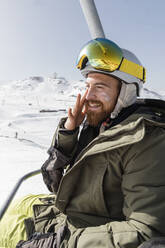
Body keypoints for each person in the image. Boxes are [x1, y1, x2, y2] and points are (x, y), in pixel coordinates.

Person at [23, 38, 165, 247]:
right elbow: (54, 182)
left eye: (100, 86)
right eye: (87, 86)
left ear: (126, 91)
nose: (88, 95)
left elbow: (146, 233)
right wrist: (69, 131)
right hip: (59, 217)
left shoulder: (148, 141)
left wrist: (62, 243)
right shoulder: (98, 126)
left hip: (80, 233)